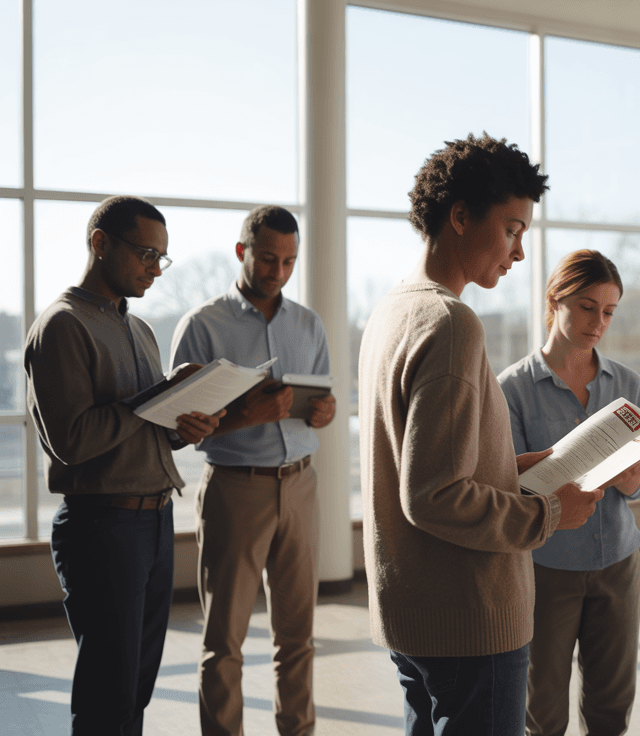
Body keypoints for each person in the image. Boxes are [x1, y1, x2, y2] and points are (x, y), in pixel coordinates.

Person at [357, 134, 604, 736]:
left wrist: (513, 466)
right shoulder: (451, 323)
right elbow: (434, 495)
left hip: (414, 611)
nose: (519, 253)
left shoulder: (393, 310)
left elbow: (420, 458)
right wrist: (548, 511)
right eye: (512, 230)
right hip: (469, 618)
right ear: (460, 217)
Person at [24, 195, 222, 734]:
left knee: (134, 688)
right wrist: (156, 396)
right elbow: (73, 440)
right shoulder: (62, 326)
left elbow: (142, 432)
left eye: (162, 258)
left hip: (154, 521)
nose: (155, 269)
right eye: (145, 255)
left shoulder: (139, 330)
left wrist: (182, 427)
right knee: (107, 694)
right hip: (103, 527)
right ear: (99, 243)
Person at [170, 205, 335, 736]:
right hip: (236, 490)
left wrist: (323, 413)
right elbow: (176, 429)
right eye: (268, 259)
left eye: (288, 261)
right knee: (225, 640)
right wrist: (247, 415)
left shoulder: (308, 324)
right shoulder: (202, 326)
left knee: (298, 639)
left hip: (302, 484)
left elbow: (320, 401)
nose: (278, 271)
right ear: (242, 252)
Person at [498, 250, 640, 736]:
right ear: (555, 300)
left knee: (612, 708)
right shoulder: (513, 389)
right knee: (542, 711)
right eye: (587, 307)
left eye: (608, 312)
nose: (598, 322)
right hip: (547, 568)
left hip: (618, 564)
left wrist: (629, 477)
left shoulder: (627, 384)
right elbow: (514, 487)